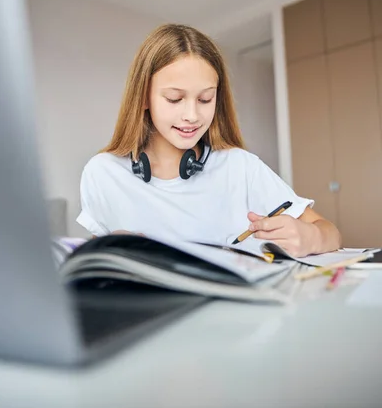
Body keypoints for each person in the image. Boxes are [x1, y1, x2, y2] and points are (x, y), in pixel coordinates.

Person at [76, 24, 341, 257]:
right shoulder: (102, 173)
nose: (192, 116)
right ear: (143, 97)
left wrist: (310, 238)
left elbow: (330, 233)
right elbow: (97, 264)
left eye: (205, 99)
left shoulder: (239, 166)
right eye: (174, 98)